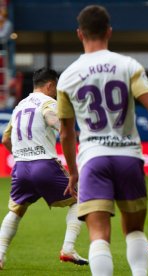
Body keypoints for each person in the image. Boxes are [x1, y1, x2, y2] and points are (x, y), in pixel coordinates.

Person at [56, 5, 148, 276]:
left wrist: (73, 173)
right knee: (134, 230)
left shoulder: (68, 77)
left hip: (93, 159)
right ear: (109, 31)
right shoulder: (127, 65)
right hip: (129, 157)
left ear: (79, 34)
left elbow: (66, 132)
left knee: (99, 235)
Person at [0, 68, 88, 269]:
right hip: (44, 166)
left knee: (16, 210)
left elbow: (5, 139)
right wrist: (63, 127)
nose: (56, 92)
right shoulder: (49, 103)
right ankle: (68, 248)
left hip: (21, 168)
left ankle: (0, 254)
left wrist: (23, 155)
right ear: (49, 85)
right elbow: (55, 122)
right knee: (81, 198)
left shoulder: (19, 107)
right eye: (55, 88)